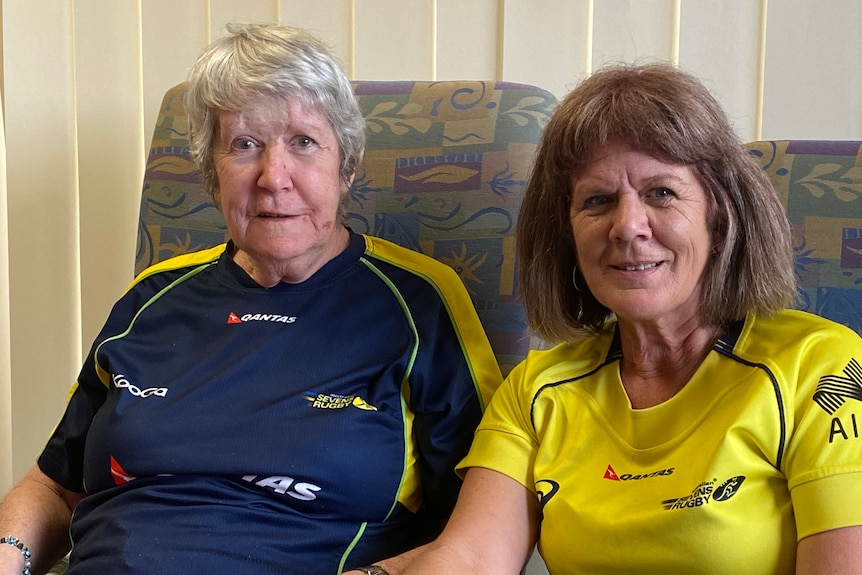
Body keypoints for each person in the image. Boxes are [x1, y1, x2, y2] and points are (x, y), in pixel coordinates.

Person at [0, 23, 502, 575]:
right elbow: (53, 484)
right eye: (244, 145)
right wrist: (11, 557)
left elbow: (483, 527)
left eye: (303, 143)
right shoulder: (152, 297)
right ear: (212, 174)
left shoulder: (417, 301)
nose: (273, 177)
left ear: (348, 165)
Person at [388, 63, 862, 574]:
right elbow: (471, 558)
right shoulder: (537, 389)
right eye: (598, 200)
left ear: (720, 218)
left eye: (661, 192)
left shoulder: (819, 366)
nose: (627, 226)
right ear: (567, 234)